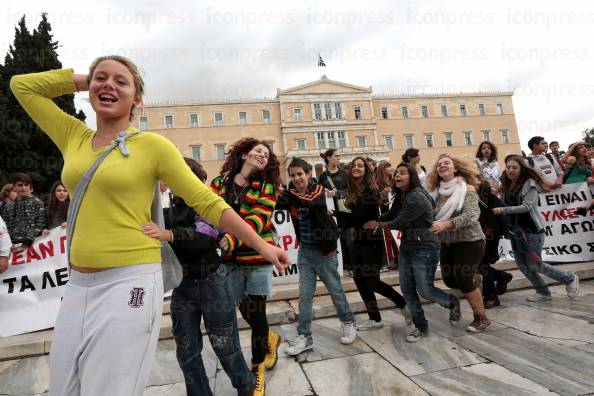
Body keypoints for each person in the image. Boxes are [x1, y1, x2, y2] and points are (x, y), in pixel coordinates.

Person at [10, 56, 288, 396]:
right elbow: (22, 86)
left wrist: (261, 244)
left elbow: (208, 202)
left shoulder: (153, 146)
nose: (108, 84)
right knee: (64, 385)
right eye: (102, 78)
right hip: (78, 283)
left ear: (137, 98)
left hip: (130, 280)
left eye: (121, 82)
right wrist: (89, 80)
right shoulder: (73, 135)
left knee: (109, 387)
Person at [143, 158, 254, 396]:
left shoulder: (208, 203)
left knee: (225, 344)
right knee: (186, 349)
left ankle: (246, 386)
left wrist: (168, 235)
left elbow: (202, 238)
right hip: (182, 287)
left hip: (211, 282)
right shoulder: (166, 208)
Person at [211, 137, 283, 396]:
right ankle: (270, 339)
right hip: (230, 261)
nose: (262, 155)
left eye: (266, 154)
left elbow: (258, 220)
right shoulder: (219, 183)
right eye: (257, 151)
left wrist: (230, 238)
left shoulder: (267, 187)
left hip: (257, 258)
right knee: (247, 313)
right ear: (243, 155)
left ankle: (257, 369)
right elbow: (212, 213)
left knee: (258, 313)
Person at [364, 163, 459, 342]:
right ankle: (421, 326)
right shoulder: (401, 194)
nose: (396, 176)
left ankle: (451, 301)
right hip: (408, 246)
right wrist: (372, 218)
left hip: (425, 247)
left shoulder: (416, 196)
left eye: (402, 173)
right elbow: (391, 215)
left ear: (411, 177)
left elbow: (400, 221)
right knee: (407, 289)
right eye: (396, 173)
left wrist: (377, 225)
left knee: (425, 290)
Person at [278, 158, 357, 356]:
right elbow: (275, 204)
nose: (296, 178)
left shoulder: (318, 190)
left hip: (325, 253)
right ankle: (304, 336)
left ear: (309, 174)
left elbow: (311, 202)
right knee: (305, 296)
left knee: (335, 291)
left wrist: (286, 194)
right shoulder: (292, 194)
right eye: (293, 175)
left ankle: (348, 321)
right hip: (305, 253)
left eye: (300, 174)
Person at [332, 157, 410, 331]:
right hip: (357, 241)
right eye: (354, 166)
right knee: (360, 280)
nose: (356, 168)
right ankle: (375, 319)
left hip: (371, 241)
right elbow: (354, 221)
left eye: (360, 165)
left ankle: (404, 305)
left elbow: (360, 216)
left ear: (367, 170)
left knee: (373, 282)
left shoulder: (371, 189)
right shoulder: (353, 190)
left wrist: (335, 214)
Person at [493, 155, 579, 301]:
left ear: (522, 169)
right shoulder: (507, 186)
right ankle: (542, 292)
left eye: (515, 167)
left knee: (534, 264)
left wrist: (503, 210)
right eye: (508, 167)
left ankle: (569, 278)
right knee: (522, 265)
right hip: (515, 232)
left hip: (531, 230)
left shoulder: (530, 183)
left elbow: (527, 207)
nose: (511, 170)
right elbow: (504, 203)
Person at [427, 154, 491, 333]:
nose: (442, 165)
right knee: (449, 279)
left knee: (463, 279)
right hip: (448, 241)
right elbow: (429, 216)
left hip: (470, 240)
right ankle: (475, 277)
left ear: (456, 168)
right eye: (439, 164)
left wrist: (445, 224)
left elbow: (471, 216)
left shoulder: (467, 188)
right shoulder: (435, 194)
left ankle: (481, 318)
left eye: (447, 162)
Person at [476, 179, 513, 309]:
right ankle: (501, 276)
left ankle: (491, 297)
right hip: (473, 236)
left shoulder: (487, 196)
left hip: (488, 236)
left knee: (482, 265)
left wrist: (507, 229)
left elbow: (503, 212)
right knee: (477, 265)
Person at [318, 149, 352, 276]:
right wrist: (324, 193)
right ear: (328, 158)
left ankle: (350, 265)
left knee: (348, 237)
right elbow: (319, 192)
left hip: (344, 210)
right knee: (335, 237)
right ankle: (340, 265)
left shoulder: (345, 174)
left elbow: (352, 191)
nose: (339, 158)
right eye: (336, 156)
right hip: (331, 211)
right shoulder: (322, 176)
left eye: (339, 156)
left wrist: (337, 193)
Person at [0, 172, 46, 248]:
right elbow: (5, 228)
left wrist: (29, 239)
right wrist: (9, 242)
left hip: (35, 245)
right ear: (14, 187)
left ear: (30, 187)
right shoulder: (8, 206)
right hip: (14, 247)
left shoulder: (38, 203)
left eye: (26, 185)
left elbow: (41, 224)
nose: (23, 188)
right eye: (20, 185)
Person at [375, 160, 399, 270]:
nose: (391, 168)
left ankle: (399, 258)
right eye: (388, 167)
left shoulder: (394, 181)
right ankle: (390, 260)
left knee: (396, 237)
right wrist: (384, 194)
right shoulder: (377, 183)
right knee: (388, 238)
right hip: (384, 214)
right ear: (383, 170)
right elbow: (375, 199)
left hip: (396, 214)